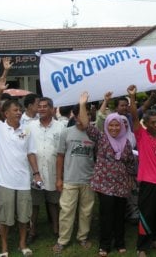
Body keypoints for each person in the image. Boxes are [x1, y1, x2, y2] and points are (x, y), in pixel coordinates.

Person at [0, 73, 43, 257]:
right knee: (5, 219)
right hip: (5, 182)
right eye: (15, 110)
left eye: (19, 110)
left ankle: (23, 245)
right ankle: (4, 248)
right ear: (6, 114)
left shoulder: (26, 131)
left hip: (23, 181)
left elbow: (30, 153)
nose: (19, 112)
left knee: (23, 217)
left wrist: (36, 173)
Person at [79, 91, 135, 256]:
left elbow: (131, 162)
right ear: (106, 125)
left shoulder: (126, 143)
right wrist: (83, 105)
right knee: (106, 215)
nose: (114, 128)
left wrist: (131, 178)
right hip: (104, 184)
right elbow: (85, 124)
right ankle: (104, 245)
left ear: (123, 126)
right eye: (111, 125)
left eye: (117, 125)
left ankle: (120, 242)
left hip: (122, 185)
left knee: (119, 215)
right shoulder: (101, 138)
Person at [128, 85, 156, 257]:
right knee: (146, 214)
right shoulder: (141, 134)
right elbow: (134, 116)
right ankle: (142, 248)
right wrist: (132, 97)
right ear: (145, 124)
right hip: (148, 181)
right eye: (152, 122)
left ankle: (155, 239)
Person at [53, 101, 96, 254]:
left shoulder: (94, 133)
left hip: (88, 179)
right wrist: (59, 178)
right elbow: (59, 157)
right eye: (79, 116)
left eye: (86, 115)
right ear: (75, 116)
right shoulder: (66, 132)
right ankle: (62, 240)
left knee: (86, 211)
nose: (82, 119)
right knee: (66, 210)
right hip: (70, 179)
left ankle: (82, 237)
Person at [27, 97, 64, 243]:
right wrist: (35, 173)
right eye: (39, 106)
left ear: (51, 109)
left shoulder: (60, 127)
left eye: (45, 106)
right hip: (35, 172)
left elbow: (62, 152)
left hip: (54, 172)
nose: (41, 109)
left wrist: (60, 176)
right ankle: (32, 231)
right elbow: (28, 149)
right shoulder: (30, 126)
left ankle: (56, 229)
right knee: (34, 204)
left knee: (54, 203)